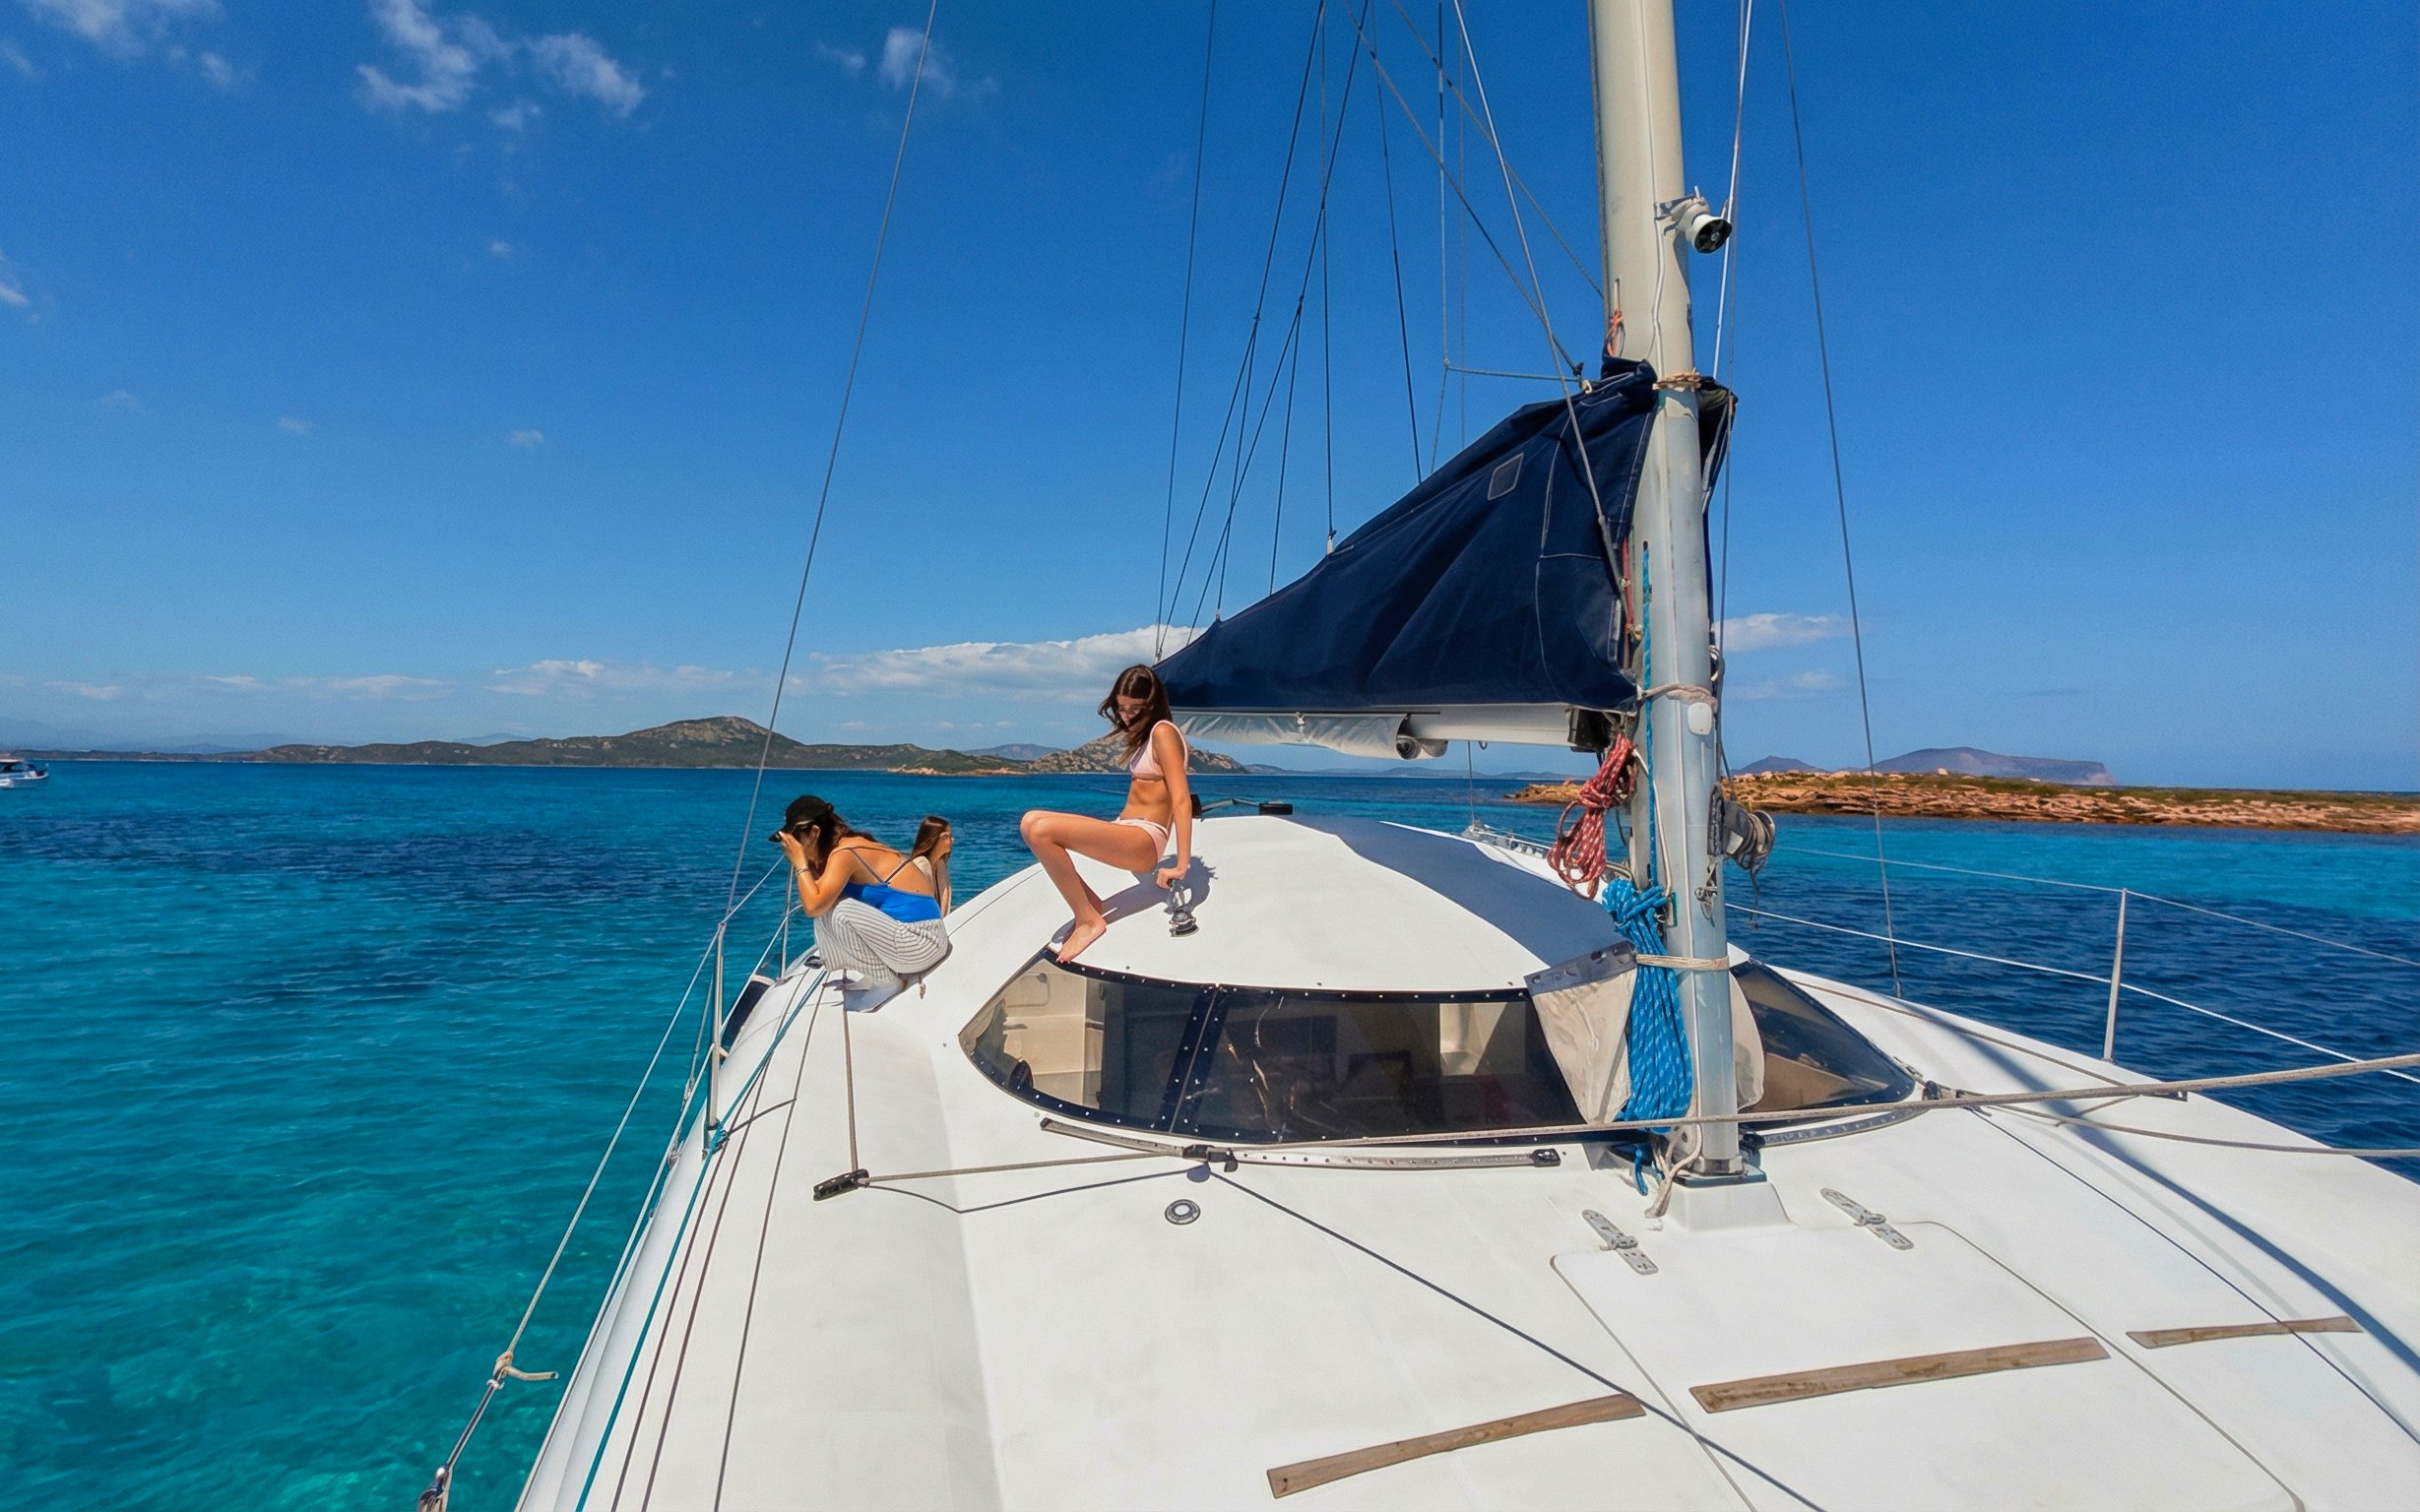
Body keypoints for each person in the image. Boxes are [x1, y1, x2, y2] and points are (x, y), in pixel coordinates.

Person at [1019, 663, 1193, 963]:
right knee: (1032, 822)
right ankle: (1090, 905)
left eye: (1134, 708)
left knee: (1037, 828)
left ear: (1152, 704)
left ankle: (1089, 920)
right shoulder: (1147, 734)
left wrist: (1181, 864)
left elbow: (1181, 800)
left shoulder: (1163, 732)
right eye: (1121, 708)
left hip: (1144, 840)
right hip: (1130, 830)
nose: (1126, 715)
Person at [773, 794, 948, 987]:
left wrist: (800, 862)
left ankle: (888, 983)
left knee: (840, 911)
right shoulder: (840, 849)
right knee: (828, 906)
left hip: (924, 942)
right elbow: (814, 899)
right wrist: (808, 864)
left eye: (796, 839)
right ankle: (873, 974)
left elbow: (813, 906)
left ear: (814, 832)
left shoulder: (845, 853)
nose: (792, 847)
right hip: (916, 940)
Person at [907, 814, 955, 915]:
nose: (952, 840)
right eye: (946, 836)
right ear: (932, 839)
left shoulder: (939, 865)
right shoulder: (919, 866)